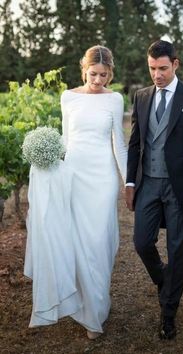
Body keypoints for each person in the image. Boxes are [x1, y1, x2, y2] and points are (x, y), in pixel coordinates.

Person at [24, 45, 127, 340]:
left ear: (110, 74)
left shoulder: (115, 99)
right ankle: (86, 311)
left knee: (99, 242)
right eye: (94, 74)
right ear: (84, 70)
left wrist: (127, 182)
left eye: (104, 75)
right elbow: (66, 140)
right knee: (77, 240)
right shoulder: (68, 97)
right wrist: (49, 170)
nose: (98, 81)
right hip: (75, 175)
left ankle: (97, 307)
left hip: (103, 177)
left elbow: (119, 144)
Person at [125, 40, 183, 340]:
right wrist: (129, 182)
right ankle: (164, 280)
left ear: (176, 64)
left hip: (181, 188)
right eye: (152, 69)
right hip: (149, 182)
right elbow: (135, 143)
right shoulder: (141, 97)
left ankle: (168, 314)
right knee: (141, 242)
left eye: (163, 68)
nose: (157, 74)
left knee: (177, 251)